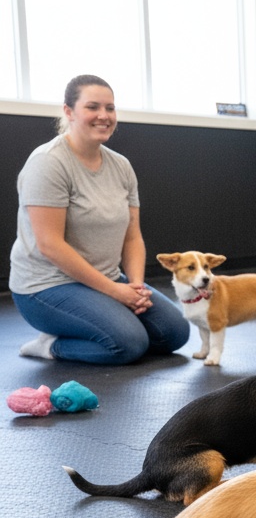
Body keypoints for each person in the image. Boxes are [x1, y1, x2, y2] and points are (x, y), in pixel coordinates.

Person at [10, 74, 190, 364]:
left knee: (175, 333)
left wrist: (136, 287)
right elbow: (50, 245)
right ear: (69, 111)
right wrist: (115, 292)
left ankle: (104, 320)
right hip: (45, 287)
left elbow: (132, 236)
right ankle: (50, 346)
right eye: (92, 107)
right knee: (128, 343)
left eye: (110, 108)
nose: (104, 116)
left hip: (106, 278)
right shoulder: (48, 162)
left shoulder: (121, 166)